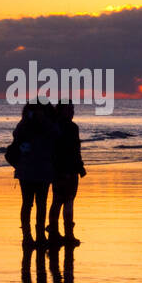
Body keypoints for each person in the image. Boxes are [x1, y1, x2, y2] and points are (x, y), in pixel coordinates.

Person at [10, 103, 58, 248]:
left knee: (40, 203)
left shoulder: (49, 124)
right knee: (28, 203)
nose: (39, 113)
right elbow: (17, 136)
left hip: (42, 169)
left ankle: (40, 235)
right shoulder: (25, 125)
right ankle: (27, 236)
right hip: (28, 169)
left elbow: (56, 135)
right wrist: (28, 120)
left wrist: (44, 120)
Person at [47, 102, 86, 246]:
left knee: (57, 201)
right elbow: (75, 151)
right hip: (67, 169)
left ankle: (54, 232)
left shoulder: (54, 126)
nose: (72, 112)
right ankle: (67, 234)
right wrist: (79, 167)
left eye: (73, 109)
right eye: (70, 109)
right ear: (62, 110)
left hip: (58, 169)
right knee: (68, 201)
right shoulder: (71, 127)